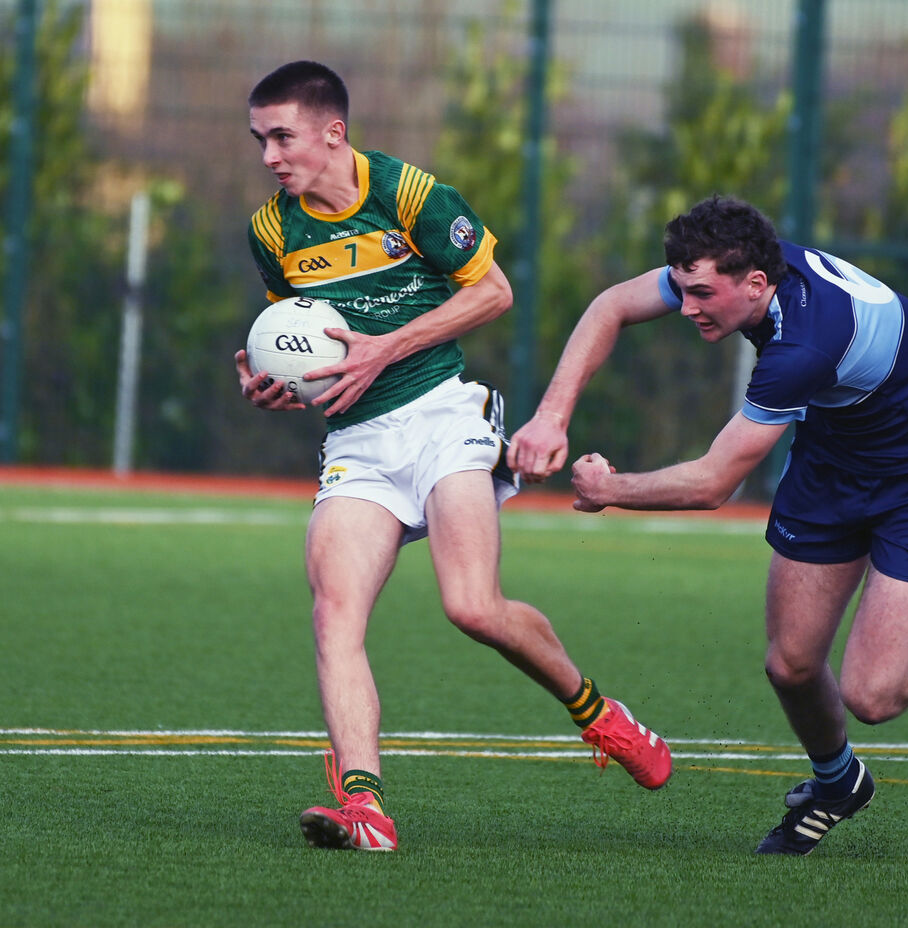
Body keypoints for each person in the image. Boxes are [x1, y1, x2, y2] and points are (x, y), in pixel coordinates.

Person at [507, 195, 908, 856]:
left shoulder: (803, 344)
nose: (687, 307)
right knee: (792, 665)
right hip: (834, 455)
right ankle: (839, 785)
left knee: (874, 694)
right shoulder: (749, 277)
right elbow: (612, 305)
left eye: (701, 294)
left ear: (755, 283)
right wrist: (552, 416)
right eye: (683, 290)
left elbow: (715, 483)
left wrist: (609, 490)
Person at [233, 60, 671, 852]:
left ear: (333, 132)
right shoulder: (272, 230)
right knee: (335, 613)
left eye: (281, 137)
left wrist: (386, 349)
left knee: (472, 607)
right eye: (260, 139)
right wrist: (272, 379)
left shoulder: (409, 196)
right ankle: (364, 807)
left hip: (443, 416)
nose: (269, 155)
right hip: (358, 445)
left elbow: (493, 291)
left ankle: (597, 714)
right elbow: (295, 333)